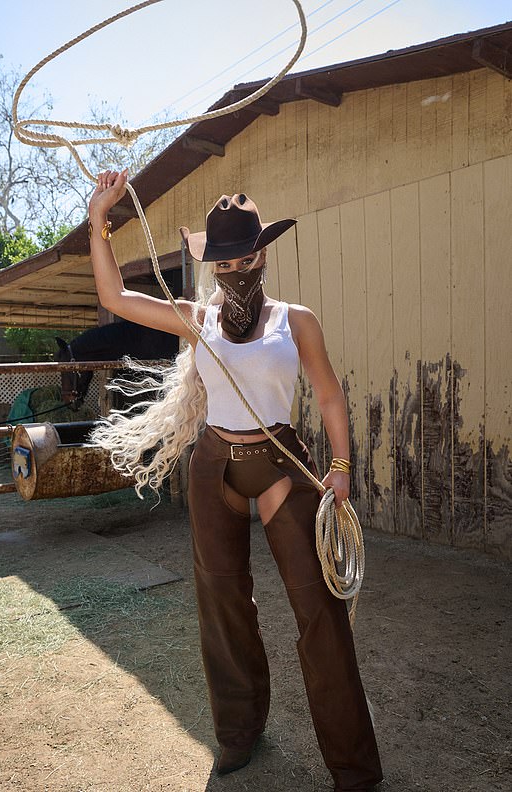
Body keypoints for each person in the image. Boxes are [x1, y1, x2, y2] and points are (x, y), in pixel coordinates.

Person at [88, 169, 383, 792]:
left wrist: (340, 469)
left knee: (319, 611)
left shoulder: (295, 321)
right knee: (223, 606)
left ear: (262, 253)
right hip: (214, 465)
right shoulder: (196, 317)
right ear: (211, 263)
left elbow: (330, 397)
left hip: (282, 462)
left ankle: (354, 768)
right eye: (223, 262)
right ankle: (238, 736)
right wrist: (100, 220)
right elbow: (114, 297)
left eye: (244, 257)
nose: (235, 270)